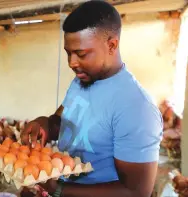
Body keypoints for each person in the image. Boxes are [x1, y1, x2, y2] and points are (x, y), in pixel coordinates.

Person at [20, 1, 163, 197]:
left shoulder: (136, 107)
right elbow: (61, 122)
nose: (72, 63)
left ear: (111, 45)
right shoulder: (81, 82)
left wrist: (60, 190)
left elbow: (135, 192)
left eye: (81, 54)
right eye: (68, 53)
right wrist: (44, 124)